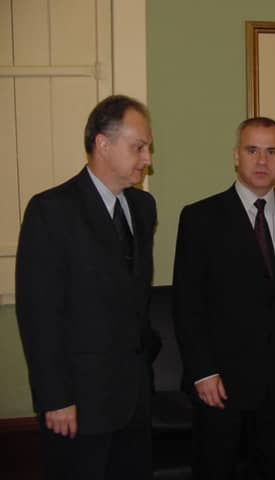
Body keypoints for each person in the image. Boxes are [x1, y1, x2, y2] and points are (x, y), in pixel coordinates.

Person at [15, 94, 157, 479]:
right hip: (78, 406)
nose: (147, 160)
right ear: (102, 144)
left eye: (148, 149)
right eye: (139, 148)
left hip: (134, 402)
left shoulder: (144, 209)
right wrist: (56, 398)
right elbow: (39, 314)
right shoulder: (51, 211)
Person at [172, 117, 275, 479]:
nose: (262, 160)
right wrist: (202, 371)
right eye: (252, 150)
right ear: (237, 156)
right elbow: (187, 304)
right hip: (220, 382)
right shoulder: (199, 217)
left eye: (271, 151)